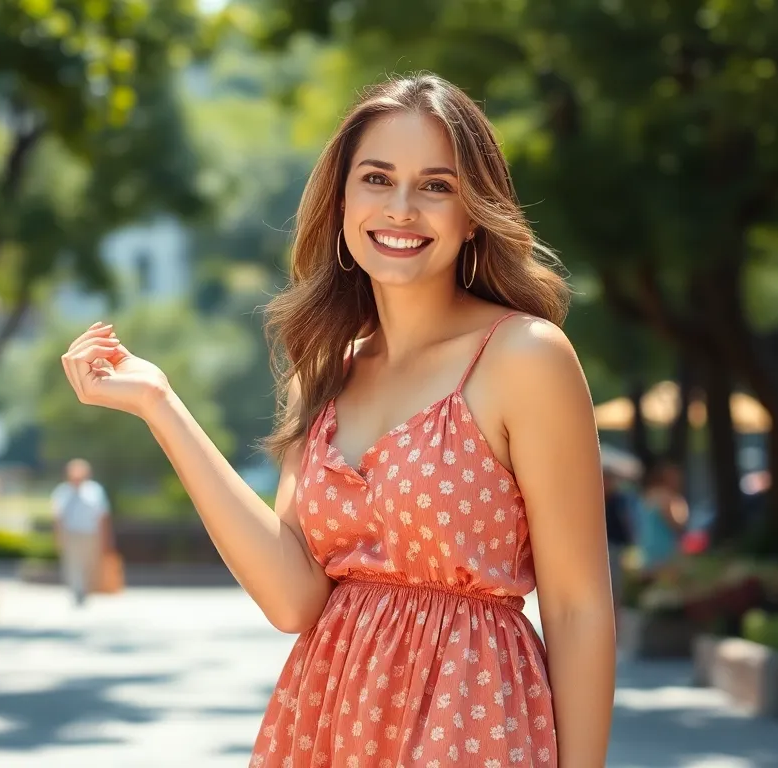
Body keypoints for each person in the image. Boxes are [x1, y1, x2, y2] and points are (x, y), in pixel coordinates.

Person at [59, 73, 614, 767]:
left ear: (474, 212)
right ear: (343, 200)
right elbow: (293, 600)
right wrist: (161, 407)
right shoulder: (323, 373)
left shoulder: (523, 357)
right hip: (329, 723)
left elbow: (578, 608)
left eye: (436, 186)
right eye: (376, 179)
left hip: (473, 727)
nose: (402, 208)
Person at [50, 458, 113, 607]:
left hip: (90, 534)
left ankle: (85, 589)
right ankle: (77, 591)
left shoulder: (94, 490)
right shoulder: (62, 491)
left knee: (89, 564)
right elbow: (57, 517)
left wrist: (106, 537)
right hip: (71, 534)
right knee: (72, 564)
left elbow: (103, 516)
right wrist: (58, 536)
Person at [636, 461, 689, 574]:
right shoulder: (668, 497)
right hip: (665, 550)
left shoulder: (648, 495)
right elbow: (676, 524)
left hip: (648, 548)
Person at [603, 467, 634, 610]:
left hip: (614, 546)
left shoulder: (618, 499)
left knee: (614, 587)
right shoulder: (596, 498)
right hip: (600, 548)